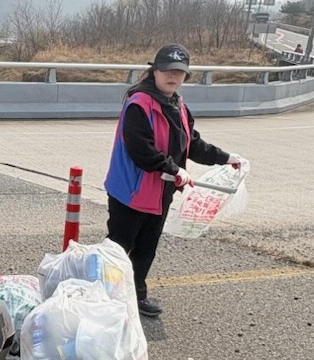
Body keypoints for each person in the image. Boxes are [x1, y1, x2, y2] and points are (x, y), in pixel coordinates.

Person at [104, 44, 246, 318]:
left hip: (160, 192)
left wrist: (226, 158)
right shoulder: (138, 104)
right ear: (155, 71)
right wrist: (174, 169)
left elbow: (192, 144)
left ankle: (136, 294)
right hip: (130, 190)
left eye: (179, 72)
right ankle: (105, 293)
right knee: (119, 246)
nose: (173, 76)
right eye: (167, 70)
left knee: (147, 247)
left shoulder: (178, 106)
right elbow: (140, 150)